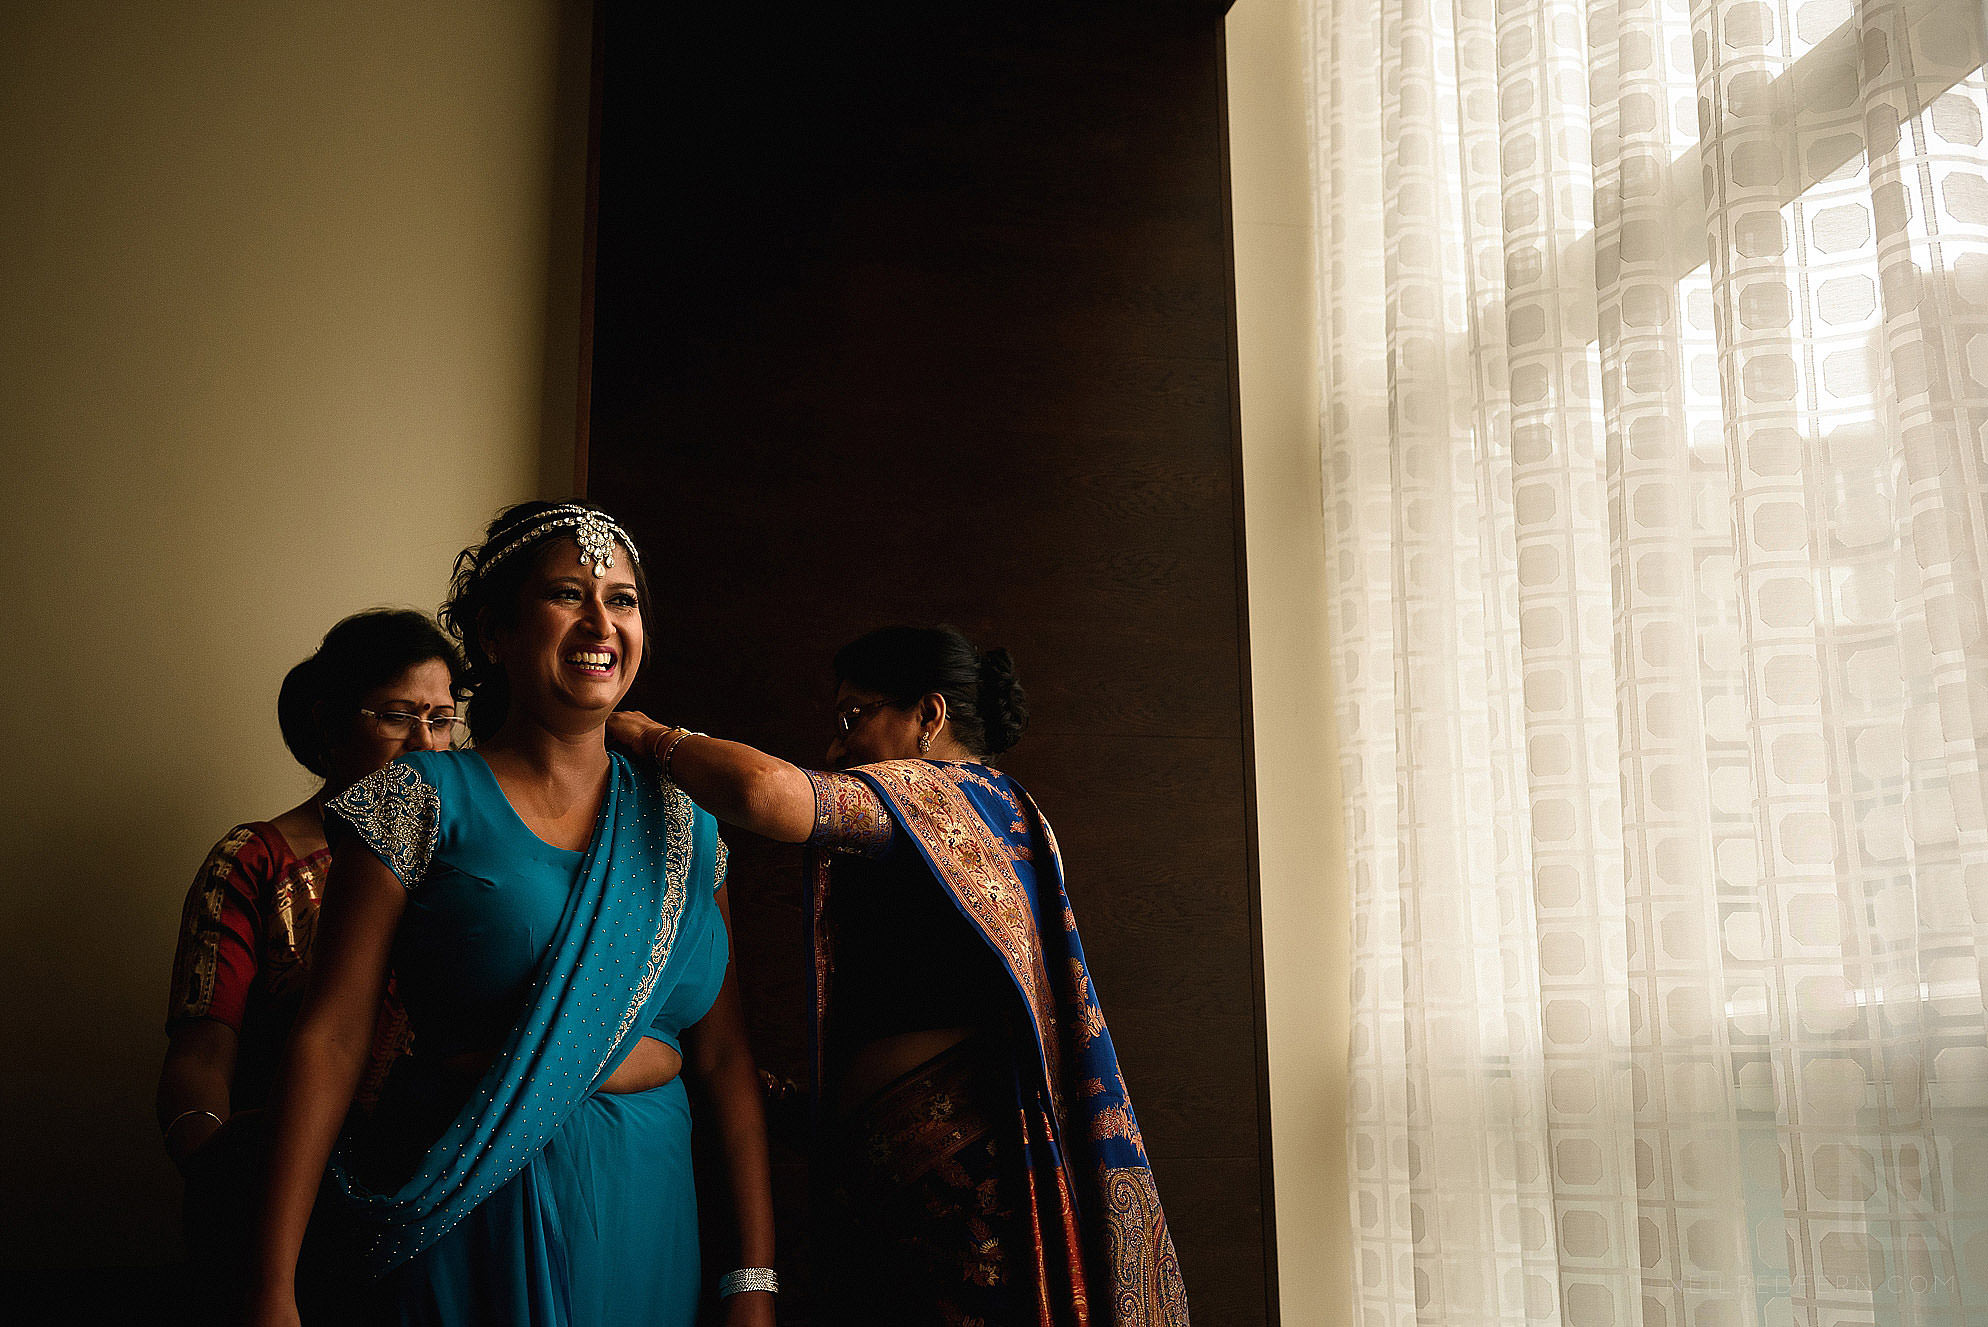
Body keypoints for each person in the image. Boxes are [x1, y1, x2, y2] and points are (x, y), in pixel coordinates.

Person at [248, 502, 775, 1327]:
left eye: (624, 599)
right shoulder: (415, 803)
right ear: (494, 634)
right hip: (472, 1206)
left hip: (647, 1212)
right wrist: (271, 1283)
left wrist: (752, 1281)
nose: (602, 621)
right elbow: (333, 1036)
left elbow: (726, 1062)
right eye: (568, 594)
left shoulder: (685, 826)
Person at [609, 624, 1190, 1325]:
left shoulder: (945, 794)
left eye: (855, 715)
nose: (836, 745)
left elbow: (767, 794)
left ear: (930, 716)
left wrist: (648, 737)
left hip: (967, 1204)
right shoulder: (995, 814)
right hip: (904, 1200)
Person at [158, 609, 465, 1314]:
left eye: (443, 719)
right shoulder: (257, 860)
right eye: (397, 715)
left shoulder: (473, 870)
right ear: (330, 724)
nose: (425, 744)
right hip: (294, 1206)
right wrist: (212, 1165)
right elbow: (201, 1055)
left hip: (445, 1200)